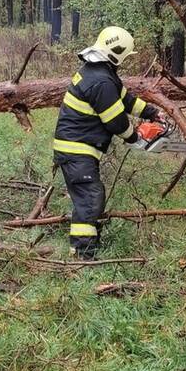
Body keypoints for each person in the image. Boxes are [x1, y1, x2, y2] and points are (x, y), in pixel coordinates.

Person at [52, 27, 161, 259]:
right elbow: (116, 122)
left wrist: (152, 113)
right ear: (117, 52)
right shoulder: (101, 81)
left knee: (92, 196)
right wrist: (136, 138)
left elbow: (126, 100)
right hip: (76, 150)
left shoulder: (101, 72)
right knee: (90, 198)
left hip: (77, 148)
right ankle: (83, 254)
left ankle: (89, 244)